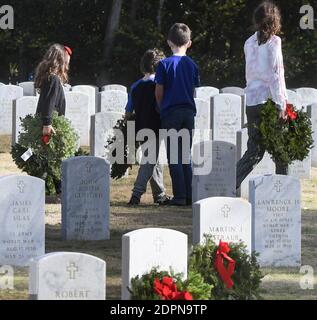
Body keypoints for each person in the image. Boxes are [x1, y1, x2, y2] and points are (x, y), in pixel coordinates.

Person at [236, 1, 288, 189]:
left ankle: (230, 183)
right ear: (275, 21)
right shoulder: (275, 42)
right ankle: (283, 191)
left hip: (251, 101)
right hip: (269, 101)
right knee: (280, 151)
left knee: (254, 152)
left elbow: (249, 74)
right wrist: (282, 104)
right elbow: (276, 75)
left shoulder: (248, 42)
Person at [155, 23, 200, 206]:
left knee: (174, 155)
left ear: (169, 42)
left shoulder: (164, 64)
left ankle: (180, 196)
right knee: (185, 154)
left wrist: (160, 107)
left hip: (171, 112)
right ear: (189, 43)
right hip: (188, 112)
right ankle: (189, 195)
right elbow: (193, 91)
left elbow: (159, 91)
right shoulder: (192, 65)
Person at [125, 49, 170, 205]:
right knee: (150, 161)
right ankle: (136, 194)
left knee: (154, 160)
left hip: (140, 127)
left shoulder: (135, 86)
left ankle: (160, 195)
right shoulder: (159, 84)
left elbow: (128, 111)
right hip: (156, 126)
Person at [34, 43, 72, 198]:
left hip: (49, 122)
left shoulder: (49, 78)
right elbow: (49, 102)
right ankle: (59, 191)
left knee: (50, 159)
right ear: (60, 59)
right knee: (53, 159)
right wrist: (47, 124)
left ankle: (57, 190)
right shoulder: (54, 79)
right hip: (50, 124)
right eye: (66, 60)